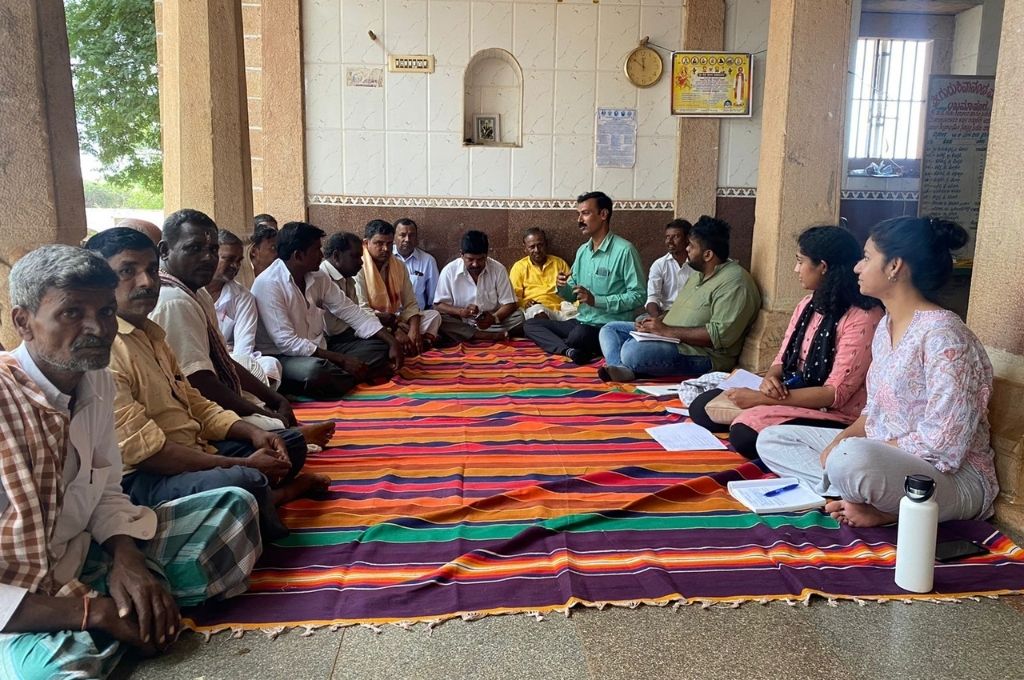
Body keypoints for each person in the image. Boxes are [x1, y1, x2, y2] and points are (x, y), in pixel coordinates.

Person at [0, 245, 260, 679]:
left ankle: (132, 609)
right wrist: (92, 613)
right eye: (71, 313)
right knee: (58, 674)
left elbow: (105, 491)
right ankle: (116, 620)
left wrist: (128, 561)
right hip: (21, 595)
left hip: (86, 556)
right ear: (23, 321)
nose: (97, 329)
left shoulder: (94, 379)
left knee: (233, 507)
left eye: (104, 312)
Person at [85, 228, 325, 543]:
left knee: (287, 444)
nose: (146, 282)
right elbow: (149, 455)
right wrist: (239, 462)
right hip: (146, 478)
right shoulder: (103, 353)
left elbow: (194, 401)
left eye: (151, 270)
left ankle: (262, 493)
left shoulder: (152, 335)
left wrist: (254, 433)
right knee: (247, 478)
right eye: (127, 272)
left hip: (194, 448)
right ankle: (276, 495)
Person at [758, 217, 999, 528]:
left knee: (852, 459)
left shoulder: (944, 336)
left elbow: (943, 445)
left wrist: (853, 450)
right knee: (773, 439)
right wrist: (840, 440)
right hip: (883, 459)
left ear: (895, 266)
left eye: (867, 258)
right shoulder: (885, 327)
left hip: (952, 478)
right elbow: (872, 414)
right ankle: (854, 496)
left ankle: (879, 508)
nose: (858, 267)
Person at [688, 226, 883, 457]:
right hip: (792, 389)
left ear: (823, 266)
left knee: (744, 433)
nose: (796, 269)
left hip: (834, 411)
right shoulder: (808, 304)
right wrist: (770, 380)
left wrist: (761, 399)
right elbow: (782, 359)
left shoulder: (863, 316)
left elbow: (834, 394)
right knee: (701, 407)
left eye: (801, 262)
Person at [146, 212, 335, 448]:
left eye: (213, 250)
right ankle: (291, 438)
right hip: (186, 411)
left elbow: (223, 359)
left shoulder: (197, 292)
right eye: (194, 248)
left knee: (268, 413)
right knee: (277, 437)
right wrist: (264, 412)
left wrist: (274, 398)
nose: (207, 258)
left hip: (221, 379)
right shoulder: (174, 300)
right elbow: (200, 382)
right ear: (164, 251)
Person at [598, 215, 760, 381]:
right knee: (610, 330)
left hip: (699, 353)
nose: (687, 249)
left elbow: (719, 336)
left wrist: (667, 331)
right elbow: (679, 310)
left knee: (632, 351)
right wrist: (655, 323)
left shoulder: (735, 283)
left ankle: (626, 365)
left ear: (708, 254)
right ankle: (622, 368)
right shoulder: (698, 274)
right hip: (668, 335)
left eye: (691, 246)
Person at [252, 221, 402, 400]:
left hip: (320, 349)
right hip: (283, 357)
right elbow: (287, 343)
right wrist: (342, 360)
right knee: (315, 371)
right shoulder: (268, 284)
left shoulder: (317, 277)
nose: (322, 255)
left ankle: (334, 381)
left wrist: (392, 342)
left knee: (380, 345)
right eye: (316, 250)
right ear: (298, 255)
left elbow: (349, 310)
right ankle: (350, 376)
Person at [524, 191, 644, 364]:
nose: (579, 220)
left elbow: (639, 295)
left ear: (603, 214)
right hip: (581, 321)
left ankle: (575, 346)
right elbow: (572, 293)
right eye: (578, 214)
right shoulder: (582, 251)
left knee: (580, 335)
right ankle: (570, 351)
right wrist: (563, 286)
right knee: (531, 325)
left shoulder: (624, 250)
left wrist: (597, 301)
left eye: (585, 213)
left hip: (607, 326)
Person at [205, 228, 284, 388]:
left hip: (231, 359)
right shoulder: (192, 290)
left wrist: (223, 353)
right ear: (211, 257)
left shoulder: (243, 297)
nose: (235, 266)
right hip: (197, 359)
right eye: (228, 259)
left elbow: (244, 349)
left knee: (270, 364)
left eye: (239, 260)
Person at [355, 220, 442, 355]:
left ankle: (412, 343)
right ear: (366, 243)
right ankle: (416, 344)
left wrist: (414, 330)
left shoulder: (399, 265)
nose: (385, 249)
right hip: (374, 323)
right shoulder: (358, 266)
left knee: (434, 315)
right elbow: (362, 310)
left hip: (397, 319)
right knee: (370, 341)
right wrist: (394, 330)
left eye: (389, 244)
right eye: (379, 243)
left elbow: (411, 303)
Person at [320, 231, 396, 372]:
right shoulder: (323, 277)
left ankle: (348, 369)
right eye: (355, 257)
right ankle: (342, 370)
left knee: (385, 339)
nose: (361, 262)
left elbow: (355, 314)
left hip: (347, 336)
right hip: (330, 342)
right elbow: (335, 329)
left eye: (361, 257)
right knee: (381, 344)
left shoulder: (348, 278)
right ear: (336, 256)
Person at [433, 230, 525, 343]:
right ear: (461, 255)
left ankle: (475, 335)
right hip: (461, 322)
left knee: (520, 316)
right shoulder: (449, 271)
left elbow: (510, 303)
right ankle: (485, 336)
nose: (475, 264)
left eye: (480, 259)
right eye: (470, 259)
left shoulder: (498, 269)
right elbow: (438, 305)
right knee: (439, 318)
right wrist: (460, 312)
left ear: (487, 255)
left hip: (492, 323)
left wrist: (494, 318)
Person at [508, 227, 576, 321]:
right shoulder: (519, 267)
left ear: (546, 245)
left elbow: (572, 290)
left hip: (561, 310)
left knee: (580, 319)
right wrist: (525, 303)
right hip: (536, 310)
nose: (537, 250)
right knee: (538, 312)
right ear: (525, 249)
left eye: (540, 245)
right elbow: (513, 298)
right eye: (532, 247)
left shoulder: (559, 263)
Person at [644, 219, 697, 318]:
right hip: (664, 314)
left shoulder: (698, 264)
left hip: (691, 316)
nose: (669, 241)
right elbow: (652, 298)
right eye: (667, 237)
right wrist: (657, 318)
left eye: (676, 236)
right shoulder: (659, 264)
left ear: (687, 239)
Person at [393, 217, 439, 312]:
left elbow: (433, 299)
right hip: (390, 316)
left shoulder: (428, 261)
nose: (407, 239)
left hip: (418, 316)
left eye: (411, 235)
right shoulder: (385, 257)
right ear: (393, 237)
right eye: (402, 235)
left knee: (435, 316)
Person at [236, 222, 279, 289]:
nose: (278, 253)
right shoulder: (239, 281)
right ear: (253, 251)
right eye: (273, 248)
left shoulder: (279, 276)